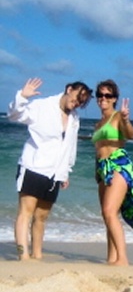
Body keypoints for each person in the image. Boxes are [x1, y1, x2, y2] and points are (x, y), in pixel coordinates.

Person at [8, 77, 92, 260]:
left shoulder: (74, 118)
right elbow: (15, 115)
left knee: (42, 217)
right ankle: (23, 257)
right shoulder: (42, 106)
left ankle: (37, 255)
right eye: (77, 97)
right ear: (69, 89)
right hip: (33, 167)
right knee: (26, 213)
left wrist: (66, 170)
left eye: (81, 102)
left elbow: (70, 146)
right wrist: (22, 96)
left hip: (54, 174)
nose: (76, 103)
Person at [92, 79, 133, 266]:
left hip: (118, 165)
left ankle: (122, 259)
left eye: (108, 95)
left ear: (114, 98)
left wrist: (126, 119)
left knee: (109, 212)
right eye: (100, 95)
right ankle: (111, 258)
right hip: (102, 168)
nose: (103, 98)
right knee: (107, 216)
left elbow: (131, 134)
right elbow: (98, 150)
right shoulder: (98, 124)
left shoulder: (117, 117)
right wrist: (96, 172)